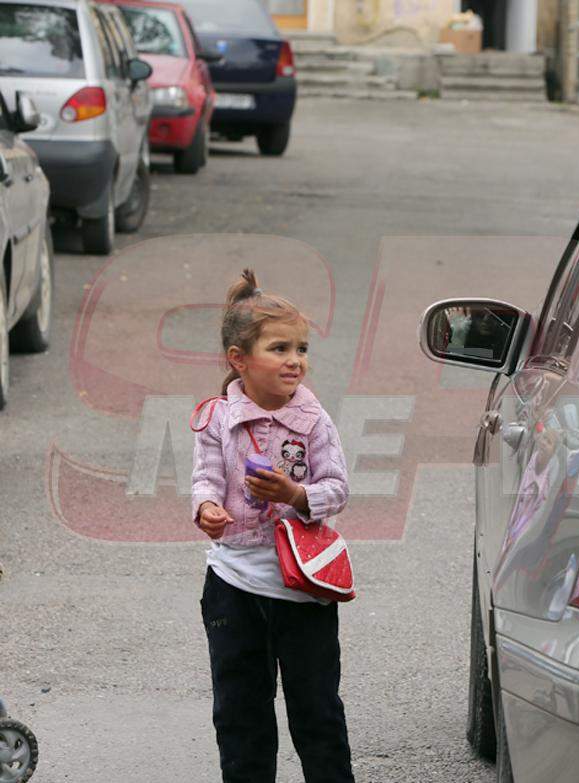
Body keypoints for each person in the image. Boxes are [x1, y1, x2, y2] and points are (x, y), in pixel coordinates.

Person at [191, 268, 354, 783]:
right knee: (240, 713)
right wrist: (206, 510)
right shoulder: (216, 417)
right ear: (239, 360)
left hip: (302, 588)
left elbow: (337, 488)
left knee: (317, 711)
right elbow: (205, 478)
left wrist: (295, 495)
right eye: (279, 348)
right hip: (232, 585)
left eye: (301, 349)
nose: (295, 361)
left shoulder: (314, 422)